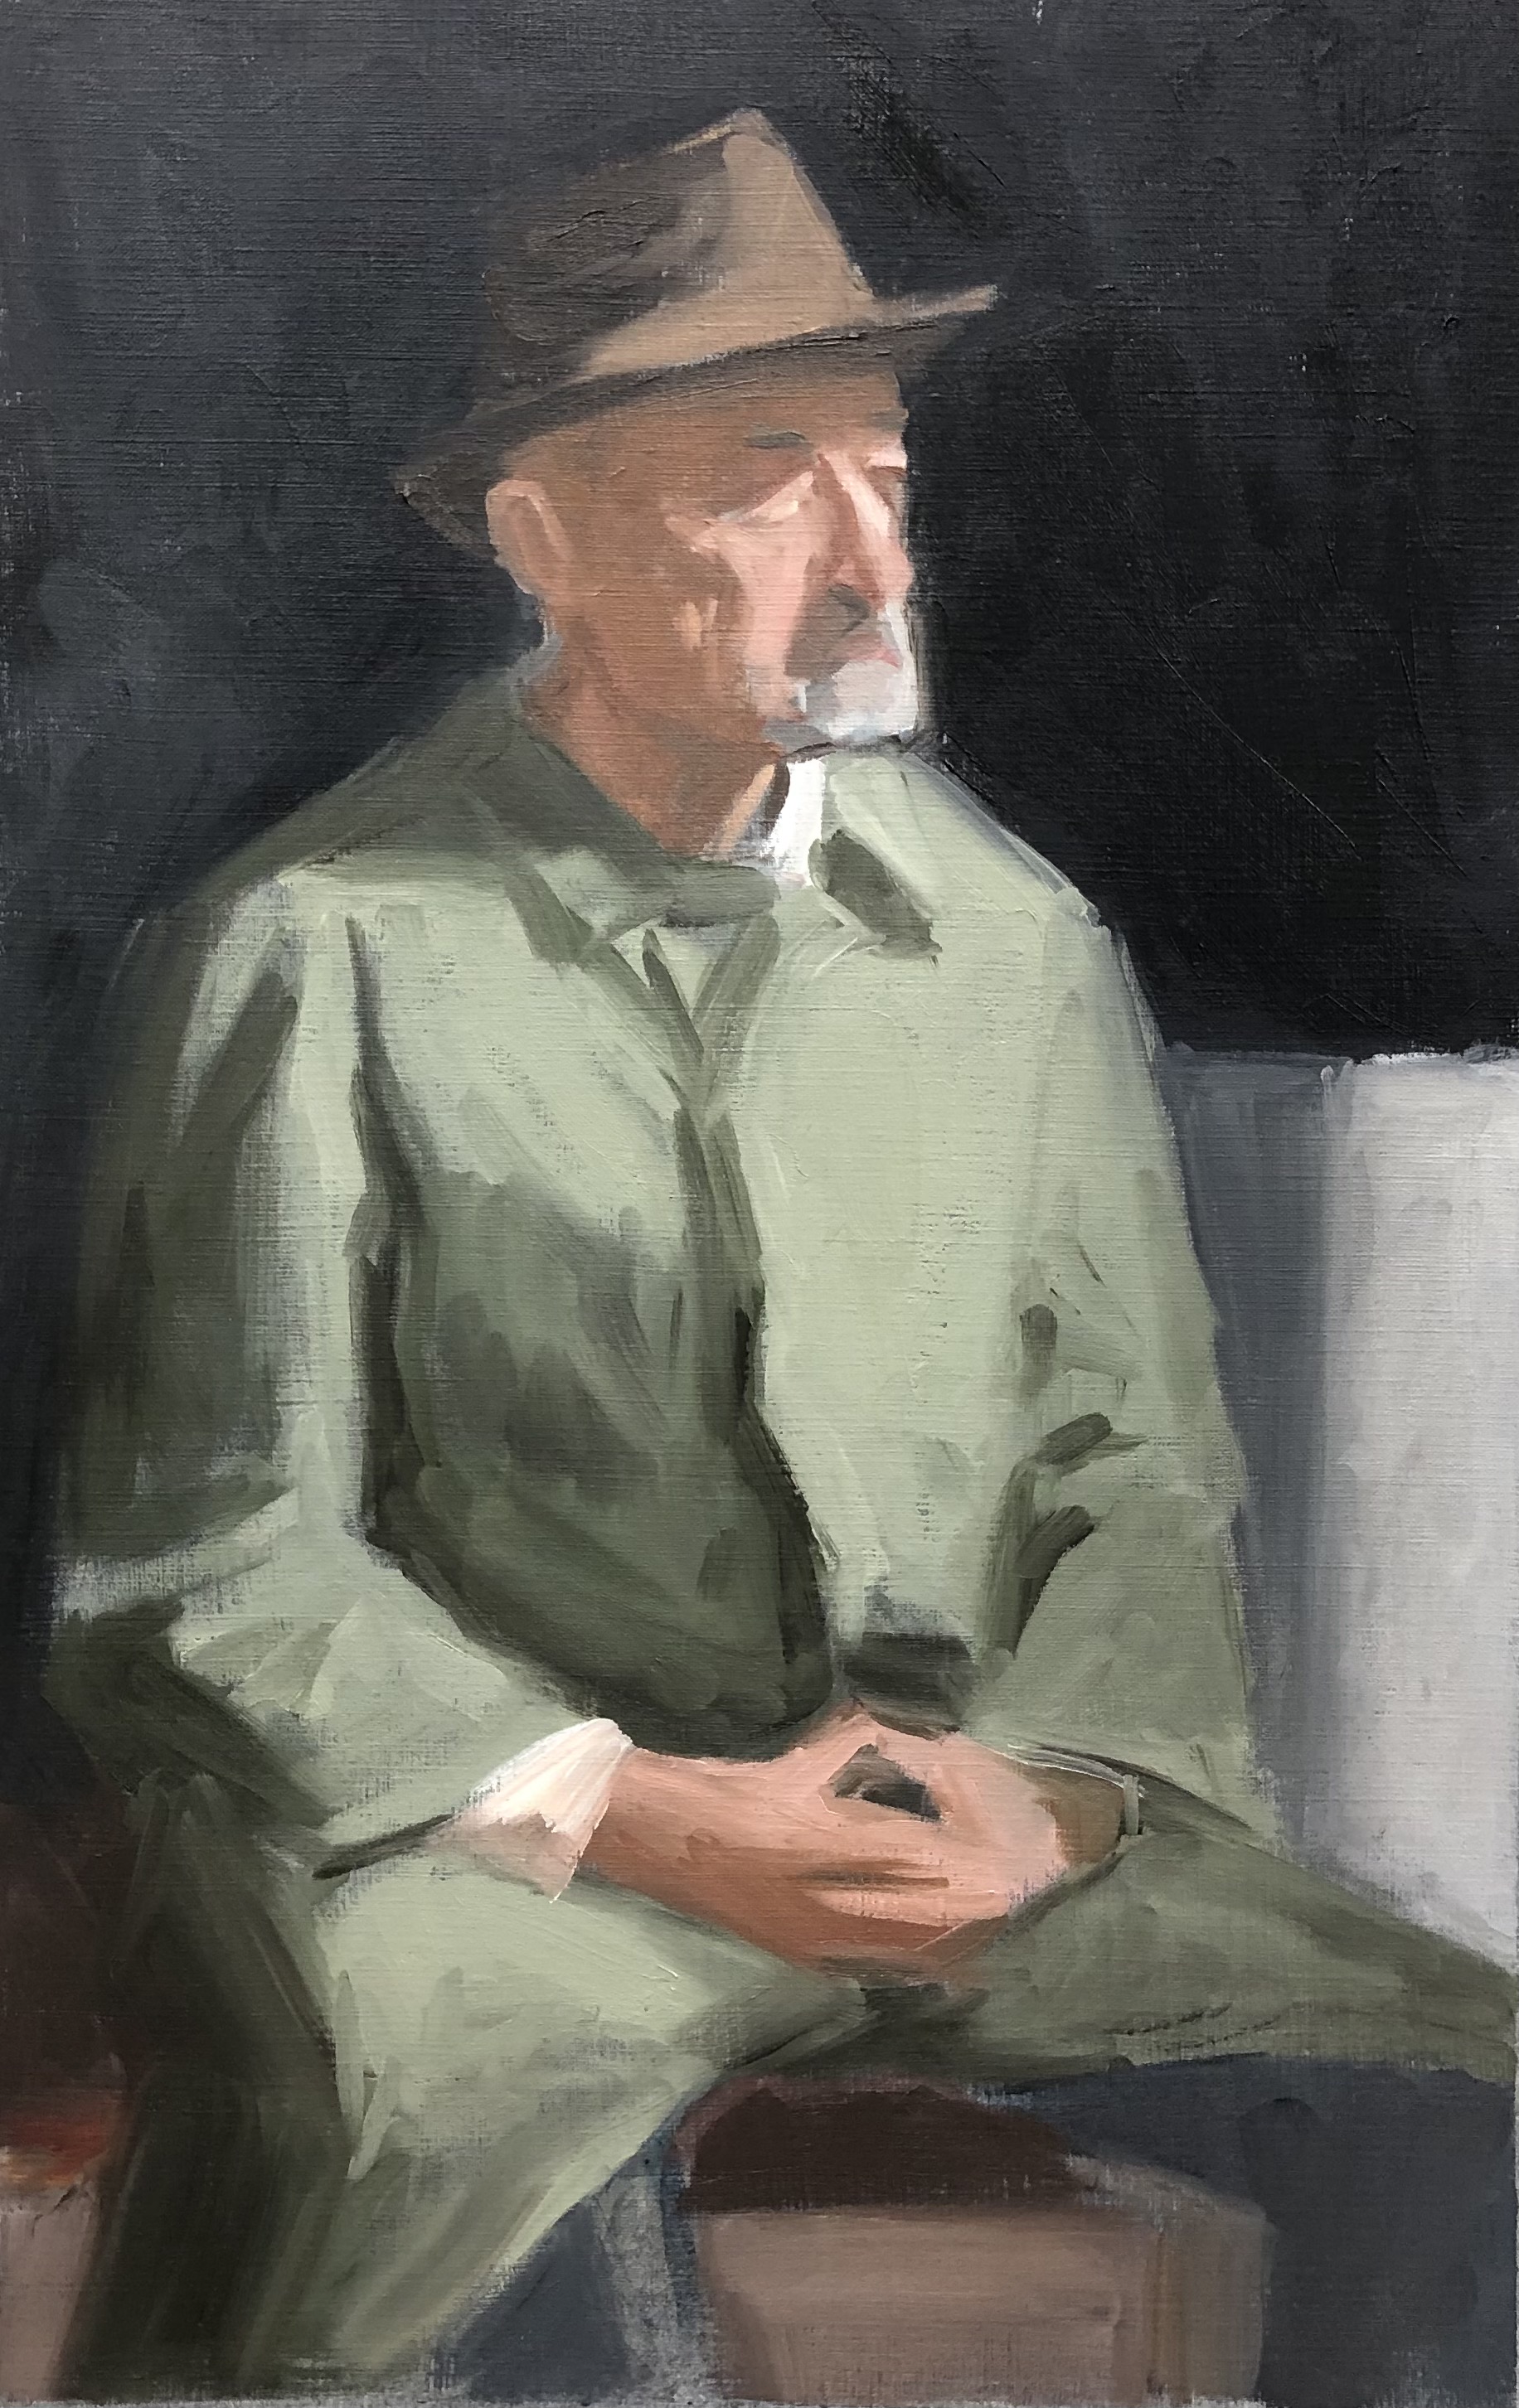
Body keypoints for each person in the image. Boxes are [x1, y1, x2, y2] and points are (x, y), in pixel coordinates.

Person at [49, 112, 1512, 2401]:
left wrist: (1057, 1790)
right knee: (444, 2146)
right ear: (543, 539)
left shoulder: (1016, 949)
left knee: (1465, 2089)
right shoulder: (314, 950)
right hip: (502, 1877)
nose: (867, 560)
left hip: (972, 1865)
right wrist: (651, 1811)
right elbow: (212, 1567)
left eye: (885, 473)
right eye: (765, 476)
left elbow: (1136, 1478)